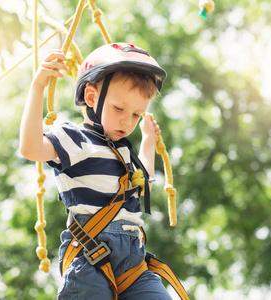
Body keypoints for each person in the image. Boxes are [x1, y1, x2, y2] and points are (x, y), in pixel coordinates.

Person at [18, 42, 174, 299]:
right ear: (92, 98)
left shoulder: (124, 152)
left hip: (133, 262)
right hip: (90, 256)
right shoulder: (74, 139)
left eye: (137, 114)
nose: (128, 121)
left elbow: (142, 182)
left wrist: (147, 142)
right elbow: (30, 148)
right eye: (119, 109)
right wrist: (37, 87)